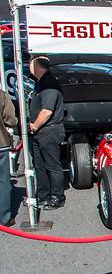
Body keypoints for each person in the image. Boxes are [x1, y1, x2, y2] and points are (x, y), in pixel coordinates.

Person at [27, 56, 66, 210]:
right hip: (41, 131)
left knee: (52, 165)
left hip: (49, 130)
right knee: (39, 165)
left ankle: (57, 197)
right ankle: (43, 195)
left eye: (30, 64)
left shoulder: (50, 85)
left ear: (36, 66)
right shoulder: (41, 83)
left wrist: (34, 126)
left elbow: (46, 111)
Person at [0, 90, 17, 226]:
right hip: (1, 143)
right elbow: (10, 118)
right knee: (3, 182)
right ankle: (4, 218)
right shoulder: (1, 95)